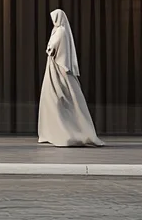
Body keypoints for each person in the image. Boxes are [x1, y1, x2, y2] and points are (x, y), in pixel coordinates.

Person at [38, 8, 104, 147]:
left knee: (61, 95)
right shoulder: (57, 30)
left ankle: (67, 131)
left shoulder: (61, 31)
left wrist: (50, 48)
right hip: (54, 65)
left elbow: (53, 47)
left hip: (58, 67)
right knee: (53, 97)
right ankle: (52, 131)